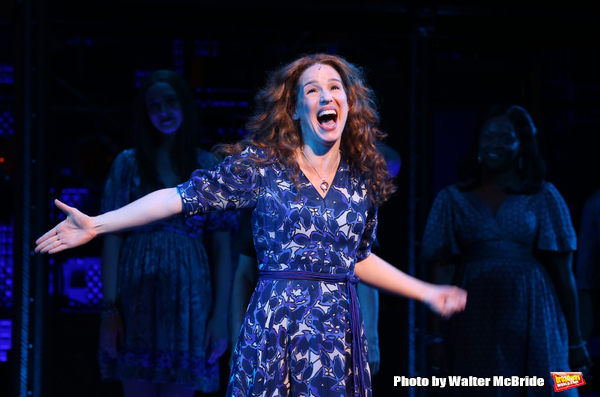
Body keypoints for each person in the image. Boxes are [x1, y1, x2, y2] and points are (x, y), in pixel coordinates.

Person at [35, 54, 466, 397]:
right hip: (275, 327)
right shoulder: (261, 168)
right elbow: (176, 198)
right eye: (312, 90)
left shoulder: (360, 182)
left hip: (337, 332)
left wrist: (425, 291)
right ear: (296, 110)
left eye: (335, 88)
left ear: (349, 104)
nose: (326, 96)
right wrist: (97, 224)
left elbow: (359, 260)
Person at [420, 105, 591, 396]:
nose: (494, 144)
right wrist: (435, 336)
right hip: (475, 316)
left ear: (521, 144)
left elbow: (564, 274)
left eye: (505, 137)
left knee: (549, 385)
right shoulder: (452, 198)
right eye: (488, 136)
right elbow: (441, 272)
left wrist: (577, 342)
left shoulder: (543, 195)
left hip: (535, 312)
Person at [98, 70, 233, 397]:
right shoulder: (128, 164)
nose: (163, 111)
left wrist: (220, 318)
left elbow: (222, 247)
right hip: (136, 297)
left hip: (189, 300)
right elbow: (112, 238)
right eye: (154, 105)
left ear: (185, 104)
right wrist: (110, 311)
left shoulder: (207, 166)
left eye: (170, 101)